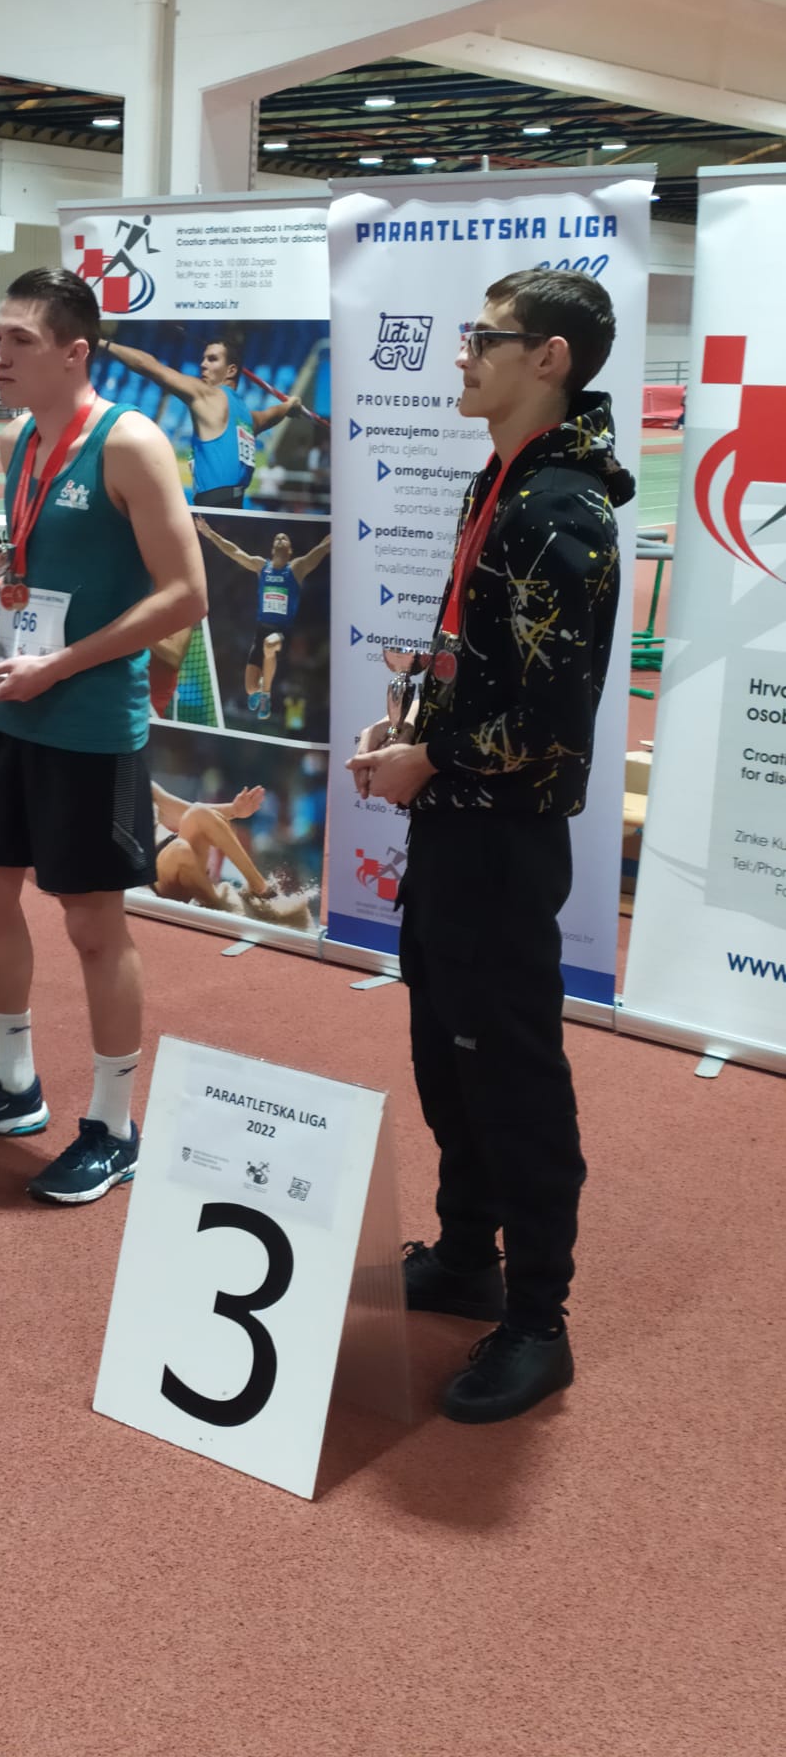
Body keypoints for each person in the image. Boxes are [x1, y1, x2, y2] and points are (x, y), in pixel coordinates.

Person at [349, 268, 632, 1426]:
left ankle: (538, 1320)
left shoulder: (562, 512)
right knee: (446, 1052)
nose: (460, 353)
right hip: (454, 830)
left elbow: (552, 728)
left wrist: (434, 758)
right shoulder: (503, 483)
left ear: (549, 358)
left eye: (484, 336)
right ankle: (469, 1251)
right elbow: (484, 666)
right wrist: (413, 725)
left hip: (502, 845)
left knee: (511, 1075)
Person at [0, 267, 207, 1205]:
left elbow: (187, 595)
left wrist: (63, 663)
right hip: (16, 700)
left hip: (89, 721)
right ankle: (12, 1084)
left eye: (21, 341)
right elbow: (30, 566)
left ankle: (114, 1126)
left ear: (75, 352)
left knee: (92, 924)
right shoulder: (19, 440)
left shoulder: (132, 445)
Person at [98, 334, 304, 507]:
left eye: (212, 359)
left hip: (212, 507)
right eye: (204, 359)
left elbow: (148, 366)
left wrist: (102, 343)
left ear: (231, 370)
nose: (202, 365)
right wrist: (289, 406)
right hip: (236, 506)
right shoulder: (249, 418)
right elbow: (273, 413)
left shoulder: (209, 396)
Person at [197, 519, 330, 721]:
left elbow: (323, 547)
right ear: (272, 549)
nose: (280, 538)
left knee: (269, 645)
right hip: (261, 630)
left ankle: (266, 696)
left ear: (290, 551)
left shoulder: (296, 568)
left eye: (284, 538)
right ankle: (259, 690)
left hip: (282, 632)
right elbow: (234, 552)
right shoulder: (262, 567)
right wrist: (210, 534)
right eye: (277, 538)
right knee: (250, 688)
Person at [151, 782, 314, 926]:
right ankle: (221, 906)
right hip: (157, 870)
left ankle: (262, 890)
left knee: (198, 812)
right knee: (181, 849)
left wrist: (235, 809)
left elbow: (185, 811)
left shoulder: (145, 784)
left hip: (177, 845)